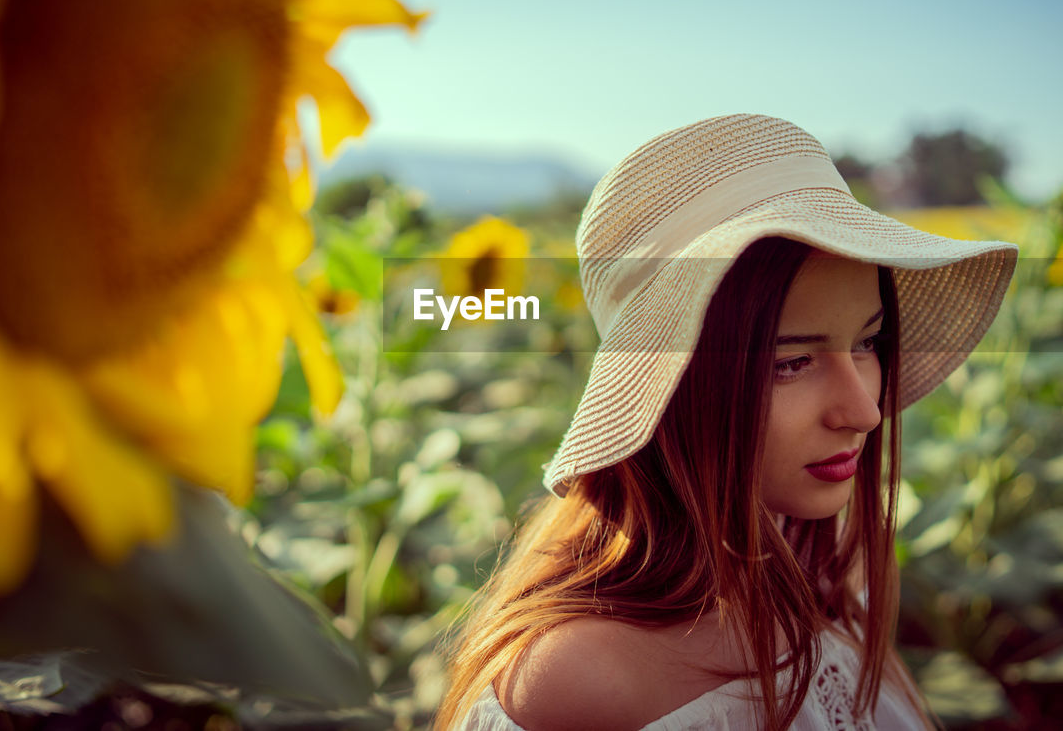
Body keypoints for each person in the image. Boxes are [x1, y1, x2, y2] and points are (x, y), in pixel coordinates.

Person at [435, 114, 1017, 731]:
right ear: (671, 385)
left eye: (869, 343)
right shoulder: (582, 679)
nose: (865, 411)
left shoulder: (818, 576)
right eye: (791, 362)